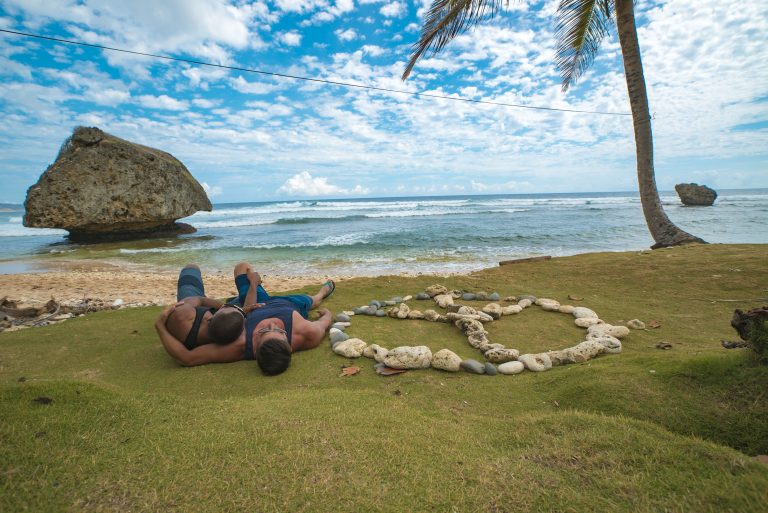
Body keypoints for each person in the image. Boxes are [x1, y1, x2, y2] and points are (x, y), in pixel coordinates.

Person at [154, 262, 334, 373]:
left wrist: (160, 326)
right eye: (279, 331)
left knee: (193, 273)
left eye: (264, 331)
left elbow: (187, 358)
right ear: (288, 342)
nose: (271, 324)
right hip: (287, 304)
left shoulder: (239, 345)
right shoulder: (307, 333)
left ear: (255, 348)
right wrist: (327, 315)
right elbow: (324, 323)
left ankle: (193, 274)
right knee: (314, 301)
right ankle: (323, 291)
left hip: (248, 305)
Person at [154, 264, 248, 365]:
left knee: (191, 268)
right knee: (239, 301)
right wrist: (229, 306)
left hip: (192, 301)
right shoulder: (225, 340)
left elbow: (200, 299)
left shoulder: (182, 316)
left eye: (223, 309)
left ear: (209, 318)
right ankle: (233, 303)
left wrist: (159, 325)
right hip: (201, 309)